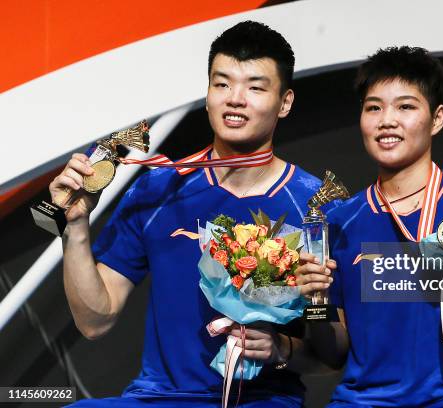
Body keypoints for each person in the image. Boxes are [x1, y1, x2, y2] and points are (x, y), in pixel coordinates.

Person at [51, 21, 330, 407]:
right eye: (222, 84)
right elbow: (95, 322)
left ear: (285, 102)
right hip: (159, 399)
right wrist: (76, 226)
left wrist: (279, 348)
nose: (235, 98)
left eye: (255, 86)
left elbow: (332, 357)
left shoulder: (314, 205)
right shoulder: (157, 190)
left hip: (262, 401)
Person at [299, 46, 443, 407]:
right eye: (374, 107)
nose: (386, 120)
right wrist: (316, 300)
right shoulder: (341, 222)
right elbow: (333, 355)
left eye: (405, 107)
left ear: (437, 118)